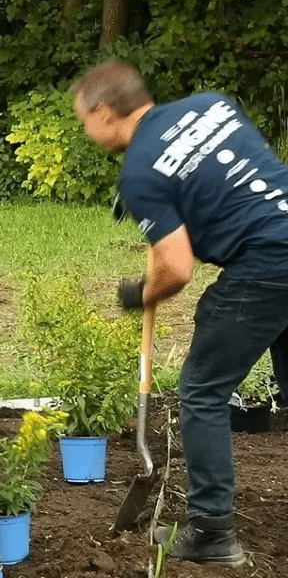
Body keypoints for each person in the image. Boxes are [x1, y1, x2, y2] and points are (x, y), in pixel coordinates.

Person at [72, 58, 288, 566]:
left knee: (203, 391)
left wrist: (143, 293)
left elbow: (177, 268)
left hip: (267, 265)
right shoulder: (212, 104)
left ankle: (213, 533)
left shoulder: (141, 169)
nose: (85, 132)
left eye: (84, 121)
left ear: (105, 111)